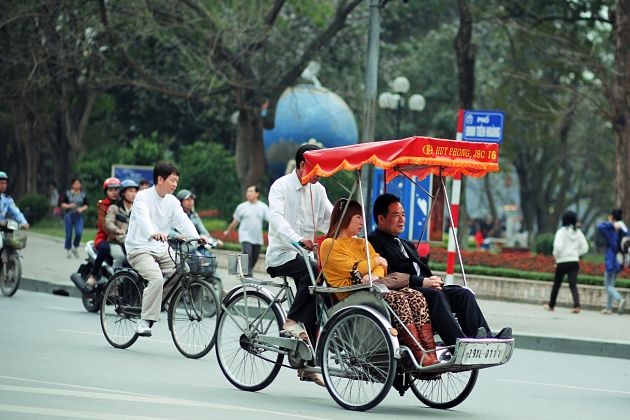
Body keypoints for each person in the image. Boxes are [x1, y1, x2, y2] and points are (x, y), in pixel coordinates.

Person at [368, 193, 511, 346]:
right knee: (436, 296)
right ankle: (458, 343)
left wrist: (433, 280)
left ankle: (484, 338)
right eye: (396, 215)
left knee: (463, 293)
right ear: (381, 219)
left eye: (403, 214)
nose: (402, 219)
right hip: (403, 293)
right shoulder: (372, 242)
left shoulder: (406, 244)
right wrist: (423, 282)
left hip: (424, 286)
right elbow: (388, 276)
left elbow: (421, 270)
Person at [320, 199, 438, 366]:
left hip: (372, 288)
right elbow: (355, 268)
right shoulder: (329, 245)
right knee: (398, 299)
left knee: (415, 295)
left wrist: (375, 273)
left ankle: (429, 351)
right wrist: (377, 261)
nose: (362, 222)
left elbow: (383, 267)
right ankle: (418, 353)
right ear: (345, 218)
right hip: (350, 294)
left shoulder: (362, 242)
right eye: (358, 217)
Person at [266, 144, 333, 386]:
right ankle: (291, 321)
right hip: (283, 253)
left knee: (317, 299)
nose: (320, 173)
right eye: (317, 167)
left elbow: (330, 219)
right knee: (314, 274)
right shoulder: (281, 187)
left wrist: (350, 233)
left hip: (307, 257)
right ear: (303, 165)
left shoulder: (319, 190)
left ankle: (308, 366)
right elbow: (276, 218)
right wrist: (296, 239)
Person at [125, 162, 200, 337]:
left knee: (184, 270)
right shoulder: (142, 197)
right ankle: (144, 321)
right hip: (139, 247)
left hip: (161, 248)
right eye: (172, 180)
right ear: (160, 179)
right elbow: (143, 220)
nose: (175, 184)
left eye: (177, 181)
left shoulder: (172, 201)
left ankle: (157, 302)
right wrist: (152, 233)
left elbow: (183, 221)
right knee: (156, 278)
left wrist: (197, 237)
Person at [543, 211, 589, 314]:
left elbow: (558, 247)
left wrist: (556, 255)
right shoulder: (578, 232)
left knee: (557, 284)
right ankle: (577, 306)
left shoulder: (561, 232)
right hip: (574, 261)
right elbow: (585, 247)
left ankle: (551, 305)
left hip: (562, 261)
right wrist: (576, 254)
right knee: (573, 284)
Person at [223, 185, 270, 275]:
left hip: (257, 237)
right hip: (245, 235)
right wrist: (228, 231)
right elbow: (235, 222)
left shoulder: (263, 207)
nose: (248, 193)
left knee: (255, 257)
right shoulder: (241, 207)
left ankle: (244, 269)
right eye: (247, 191)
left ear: (257, 194)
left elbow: (270, 220)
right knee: (247, 254)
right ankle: (247, 274)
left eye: (251, 191)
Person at [85, 178, 121, 288]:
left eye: (116, 189)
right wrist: (115, 234)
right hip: (104, 238)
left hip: (121, 238)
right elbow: (103, 224)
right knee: (105, 249)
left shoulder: (123, 204)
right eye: (111, 190)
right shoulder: (102, 205)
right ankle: (94, 275)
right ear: (106, 192)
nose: (114, 192)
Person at [597, 208, 627, 315]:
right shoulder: (624, 229)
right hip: (620, 260)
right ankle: (609, 308)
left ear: (612, 217)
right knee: (611, 284)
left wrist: (611, 225)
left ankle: (620, 299)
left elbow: (600, 226)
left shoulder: (612, 229)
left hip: (612, 260)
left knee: (607, 285)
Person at [104, 179, 138, 269]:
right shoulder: (114, 207)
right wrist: (117, 230)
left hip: (131, 242)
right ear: (123, 193)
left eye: (135, 191)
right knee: (120, 257)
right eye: (130, 191)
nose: (133, 194)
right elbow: (108, 222)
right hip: (116, 241)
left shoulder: (138, 209)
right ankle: (116, 280)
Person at [61, 178, 88, 258]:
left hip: (78, 216)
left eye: (78, 183)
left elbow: (86, 205)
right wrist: (69, 206)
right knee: (68, 234)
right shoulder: (67, 194)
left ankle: (75, 246)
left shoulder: (83, 194)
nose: (77, 185)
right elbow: (62, 204)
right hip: (69, 216)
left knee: (79, 233)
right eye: (75, 184)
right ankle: (68, 249)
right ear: (72, 185)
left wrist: (81, 209)